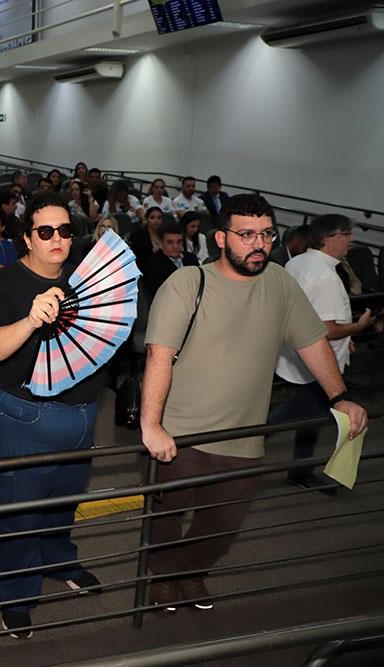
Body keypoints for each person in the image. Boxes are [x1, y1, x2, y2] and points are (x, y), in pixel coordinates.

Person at [140, 194, 368, 612]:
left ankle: (189, 571)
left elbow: (313, 341)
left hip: (244, 437)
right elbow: (158, 354)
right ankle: (163, 576)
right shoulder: (189, 283)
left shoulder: (279, 283)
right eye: (246, 235)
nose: (258, 243)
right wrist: (152, 425)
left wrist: (340, 396)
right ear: (221, 239)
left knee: (223, 525)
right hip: (181, 432)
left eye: (266, 234)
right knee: (166, 516)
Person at [0, 190, 106, 638]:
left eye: (65, 230)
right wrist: (30, 321)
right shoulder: (6, 283)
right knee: (20, 513)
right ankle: (17, 593)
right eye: (45, 231)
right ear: (27, 238)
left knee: (64, 502)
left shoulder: (84, 280)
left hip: (82, 413)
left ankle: (58, 561)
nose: (57, 239)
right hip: (23, 416)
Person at [270, 214, 378, 492]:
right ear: (328, 239)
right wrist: (359, 326)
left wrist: (347, 339)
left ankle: (299, 469)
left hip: (296, 356)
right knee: (304, 412)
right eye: (345, 233)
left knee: (310, 413)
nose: (351, 239)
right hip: (319, 362)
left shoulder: (298, 262)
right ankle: (286, 464)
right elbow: (326, 329)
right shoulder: (327, 276)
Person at [142, 222, 200, 298]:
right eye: (170, 242)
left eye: (179, 242)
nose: (175, 246)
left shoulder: (191, 258)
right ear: (160, 243)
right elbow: (158, 294)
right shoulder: (152, 264)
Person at [129, 206, 165, 270]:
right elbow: (138, 258)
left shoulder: (165, 234)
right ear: (146, 219)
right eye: (152, 218)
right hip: (145, 268)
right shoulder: (138, 235)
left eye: (159, 218)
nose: (156, 221)